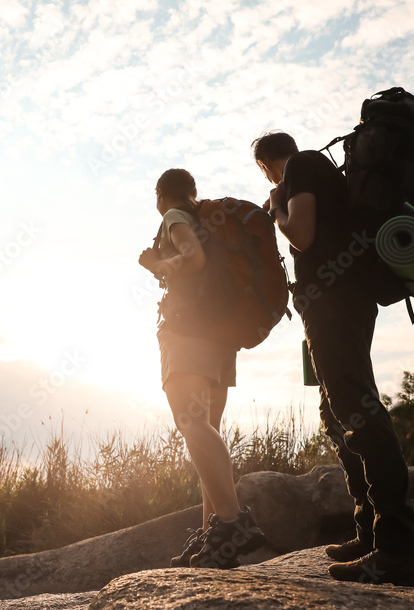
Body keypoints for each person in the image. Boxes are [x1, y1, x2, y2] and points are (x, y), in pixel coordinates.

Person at [251, 132, 414, 587]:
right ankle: (370, 533)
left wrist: (276, 206)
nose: (270, 177)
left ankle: (397, 551)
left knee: (359, 411)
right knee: (337, 412)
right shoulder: (318, 170)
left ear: (268, 162)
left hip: (334, 302)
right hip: (331, 302)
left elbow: (303, 236)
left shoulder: (302, 167)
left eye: (265, 170)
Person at [138, 168, 266, 569]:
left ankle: (232, 522)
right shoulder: (205, 220)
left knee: (192, 424)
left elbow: (193, 259)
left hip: (187, 331)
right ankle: (218, 541)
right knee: (206, 431)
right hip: (218, 337)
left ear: (161, 196)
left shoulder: (174, 218)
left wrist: (157, 266)